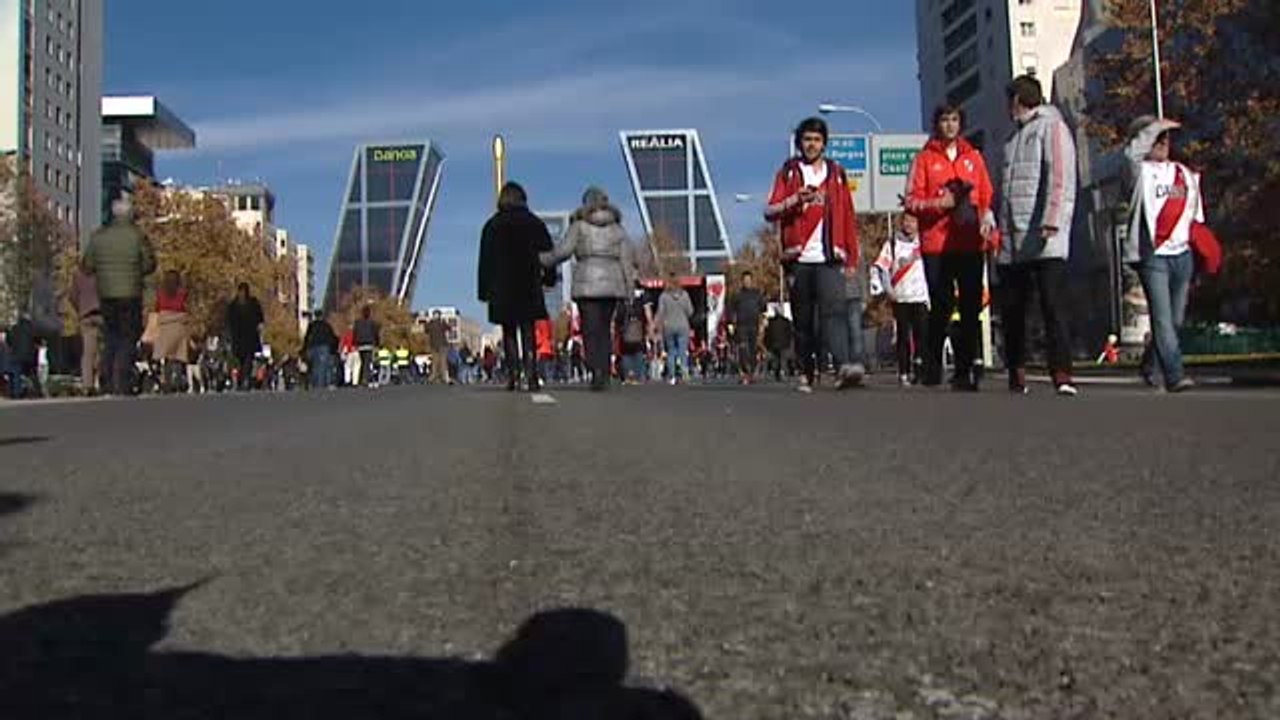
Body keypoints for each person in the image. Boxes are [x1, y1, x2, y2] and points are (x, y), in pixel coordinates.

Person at [764, 117, 862, 393]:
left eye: (817, 140)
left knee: (835, 313)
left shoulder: (837, 174)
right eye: (807, 139)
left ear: (824, 144)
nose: (812, 144)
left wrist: (851, 257)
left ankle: (844, 366)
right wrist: (797, 199)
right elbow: (770, 210)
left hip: (829, 256)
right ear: (800, 142)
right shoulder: (789, 172)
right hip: (799, 259)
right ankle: (807, 372)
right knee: (804, 321)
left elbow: (848, 216)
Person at [905, 104, 998, 390]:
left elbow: (986, 197)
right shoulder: (923, 159)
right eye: (944, 120)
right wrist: (939, 204)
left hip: (970, 242)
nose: (949, 125)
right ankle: (931, 367)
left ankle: (965, 369)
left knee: (971, 308)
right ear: (937, 124)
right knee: (942, 306)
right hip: (937, 244)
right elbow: (911, 201)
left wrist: (987, 220)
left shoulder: (974, 157)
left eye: (955, 119)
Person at [997, 74, 1079, 396]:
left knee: (1053, 307)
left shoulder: (1052, 128)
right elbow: (1005, 192)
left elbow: (1059, 175)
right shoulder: (1011, 140)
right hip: (1013, 238)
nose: (1007, 107)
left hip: (1045, 236)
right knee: (1014, 309)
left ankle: (1062, 373)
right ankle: (1016, 372)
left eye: (1009, 100)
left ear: (1018, 100)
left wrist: (1052, 218)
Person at [1123, 116, 1206, 393]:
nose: (1162, 144)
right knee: (1162, 319)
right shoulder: (1140, 173)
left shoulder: (1184, 174)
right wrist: (1153, 127)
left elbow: (1196, 217)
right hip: (1153, 256)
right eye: (1157, 139)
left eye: (1165, 139)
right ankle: (1174, 375)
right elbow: (1131, 154)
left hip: (1182, 255)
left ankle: (1149, 364)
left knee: (1175, 320)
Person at [541, 187, 639, 392]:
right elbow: (627, 261)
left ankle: (595, 371)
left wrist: (541, 260)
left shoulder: (579, 226)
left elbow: (563, 251)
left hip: (586, 282)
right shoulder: (617, 229)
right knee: (605, 331)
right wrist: (629, 291)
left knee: (590, 331)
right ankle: (604, 370)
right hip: (613, 285)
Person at [477, 181, 556, 391]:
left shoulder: (492, 226)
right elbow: (548, 254)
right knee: (528, 330)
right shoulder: (534, 223)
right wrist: (549, 278)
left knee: (508, 331)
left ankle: (513, 376)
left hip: (501, 286)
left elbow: (484, 262)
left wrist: (484, 290)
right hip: (528, 283)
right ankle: (532, 375)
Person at [82, 197, 156, 395]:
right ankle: (121, 379)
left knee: (111, 336)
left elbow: (87, 266)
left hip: (106, 294)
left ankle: (105, 378)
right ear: (129, 214)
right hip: (130, 293)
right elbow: (150, 264)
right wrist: (137, 271)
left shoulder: (98, 237)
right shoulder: (137, 236)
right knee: (128, 336)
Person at [871, 212, 931, 386]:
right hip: (901, 297)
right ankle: (904, 371)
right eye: (906, 221)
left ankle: (920, 370)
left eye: (913, 221)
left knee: (922, 337)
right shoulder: (892, 244)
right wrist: (888, 290)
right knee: (903, 336)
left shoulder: (925, 243)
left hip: (920, 297)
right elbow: (881, 267)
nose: (909, 225)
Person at [152, 270, 190, 392]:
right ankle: (177, 380)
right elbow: (185, 307)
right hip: (178, 326)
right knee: (178, 357)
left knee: (167, 358)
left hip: (165, 327)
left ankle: (167, 381)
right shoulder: (182, 294)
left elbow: (156, 309)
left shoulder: (161, 294)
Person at [728, 271, 767, 385]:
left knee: (753, 349)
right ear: (742, 281)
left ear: (751, 280)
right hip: (741, 326)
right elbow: (731, 310)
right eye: (745, 280)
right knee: (743, 349)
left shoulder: (757, 294)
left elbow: (763, 308)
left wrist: (763, 322)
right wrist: (730, 323)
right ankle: (744, 373)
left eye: (749, 280)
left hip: (754, 324)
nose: (747, 282)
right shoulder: (737, 295)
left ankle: (753, 373)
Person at [225, 283, 265, 391]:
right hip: (238, 337)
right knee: (240, 359)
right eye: (240, 291)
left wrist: (260, 330)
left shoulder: (253, 303)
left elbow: (260, 318)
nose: (242, 294)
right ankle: (241, 379)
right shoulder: (233, 305)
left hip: (250, 336)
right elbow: (229, 321)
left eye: (243, 292)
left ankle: (245, 379)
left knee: (249, 358)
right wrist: (229, 335)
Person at [656, 275, 695, 385]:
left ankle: (672, 376)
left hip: (668, 326)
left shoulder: (663, 296)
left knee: (671, 351)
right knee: (683, 351)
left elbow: (660, 312)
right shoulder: (685, 295)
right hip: (683, 325)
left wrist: (658, 325)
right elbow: (690, 311)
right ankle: (684, 374)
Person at [71, 266, 102, 395]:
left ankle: (87, 385)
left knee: (88, 352)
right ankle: (102, 381)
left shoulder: (77, 274)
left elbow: (72, 296)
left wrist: (80, 309)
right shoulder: (102, 271)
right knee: (106, 350)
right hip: (102, 314)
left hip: (86, 315)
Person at [618, 289, 651, 384]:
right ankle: (639, 376)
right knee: (639, 352)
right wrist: (650, 324)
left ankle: (628, 375)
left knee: (626, 353)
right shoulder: (643, 298)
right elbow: (647, 313)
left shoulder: (621, 297)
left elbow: (618, 315)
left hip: (625, 330)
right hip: (639, 329)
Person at [303, 312, 340, 389]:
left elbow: (307, 338)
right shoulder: (326, 326)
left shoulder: (312, 325)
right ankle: (321, 386)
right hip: (324, 347)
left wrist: (305, 349)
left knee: (314, 367)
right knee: (322, 367)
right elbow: (332, 338)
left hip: (312, 347)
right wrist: (334, 349)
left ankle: (315, 384)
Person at [764, 307, 795, 382]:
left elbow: (768, 333)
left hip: (773, 343)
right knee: (783, 359)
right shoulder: (786, 321)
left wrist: (767, 343)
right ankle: (782, 373)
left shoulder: (771, 322)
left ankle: (777, 373)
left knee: (776, 359)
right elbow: (790, 332)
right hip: (784, 343)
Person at [352, 305, 380, 387]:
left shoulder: (357, 322)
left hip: (360, 344)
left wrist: (354, 343)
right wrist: (377, 344)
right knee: (367, 363)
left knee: (362, 362)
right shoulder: (372, 323)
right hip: (369, 344)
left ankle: (360, 379)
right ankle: (365, 379)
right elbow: (375, 334)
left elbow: (355, 333)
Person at [425, 310, 451, 385]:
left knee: (436, 362)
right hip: (442, 345)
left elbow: (426, 330)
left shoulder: (431, 323)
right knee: (442, 362)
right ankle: (444, 377)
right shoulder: (441, 322)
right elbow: (449, 328)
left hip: (435, 345)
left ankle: (433, 377)